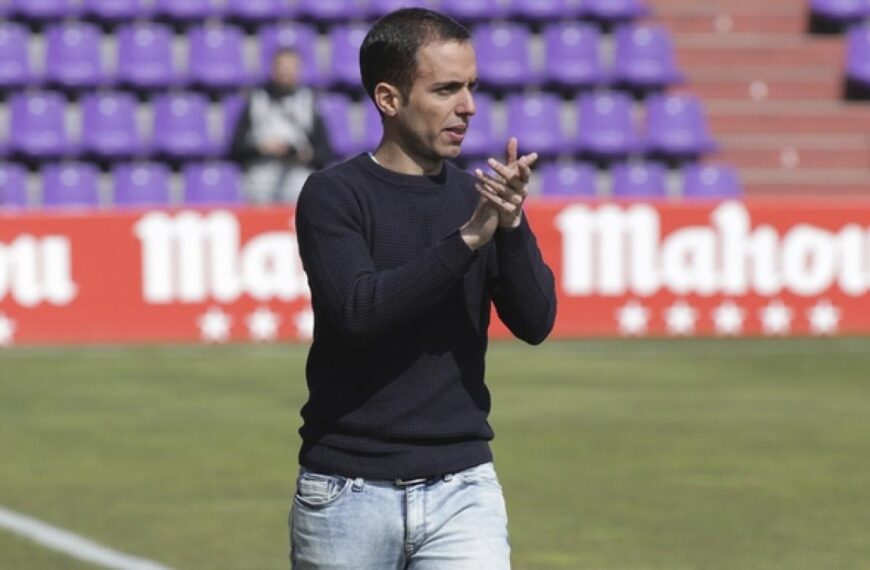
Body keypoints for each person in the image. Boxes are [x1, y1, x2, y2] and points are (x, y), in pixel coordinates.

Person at [292, 8, 556, 569]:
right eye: (445, 89)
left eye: (471, 87)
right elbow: (360, 313)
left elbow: (536, 322)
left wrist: (508, 224)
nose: (468, 106)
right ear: (388, 99)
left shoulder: (477, 201)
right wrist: (466, 240)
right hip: (347, 491)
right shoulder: (333, 195)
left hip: (463, 488)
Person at [229, 47, 334, 204]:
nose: (285, 72)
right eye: (281, 67)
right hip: (261, 180)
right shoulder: (255, 100)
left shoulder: (309, 101)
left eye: (291, 67)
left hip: (297, 179)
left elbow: (324, 150)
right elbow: (236, 147)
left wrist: (303, 154)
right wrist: (263, 148)